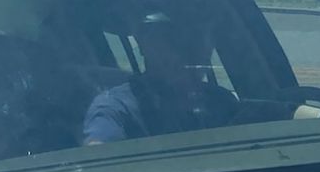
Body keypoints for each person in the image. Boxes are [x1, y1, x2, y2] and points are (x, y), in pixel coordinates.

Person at [82, 9, 240, 145]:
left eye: (198, 38)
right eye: (174, 39)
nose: (188, 52)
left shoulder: (222, 102)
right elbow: (96, 159)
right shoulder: (117, 108)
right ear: (144, 45)